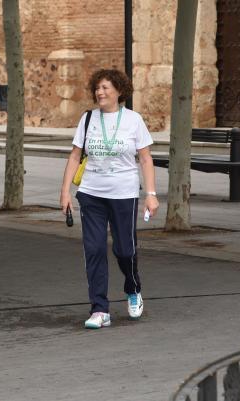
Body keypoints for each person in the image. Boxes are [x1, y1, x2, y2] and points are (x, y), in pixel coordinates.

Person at [60, 69, 159, 329]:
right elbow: (74, 156)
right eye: (97, 88)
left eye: (105, 88)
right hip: (91, 193)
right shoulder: (88, 119)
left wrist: (151, 194)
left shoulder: (134, 120)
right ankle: (100, 309)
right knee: (93, 250)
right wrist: (65, 192)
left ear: (119, 91)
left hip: (124, 194)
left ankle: (133, 288)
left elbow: (146, 159)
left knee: (125, 250)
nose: (100, 93)